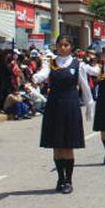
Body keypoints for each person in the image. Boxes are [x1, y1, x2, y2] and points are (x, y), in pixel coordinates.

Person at [33, 37, 97, 194]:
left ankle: (68, 180)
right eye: (60, 45)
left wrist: (89, 105)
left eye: (66, 45)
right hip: (54, 105)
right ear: (56, 46)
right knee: (57, 144)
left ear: (71, 47)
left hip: (70, 105)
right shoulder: (51, 63)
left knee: (68, 145)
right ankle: (60, 178)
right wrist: (36, 78)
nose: (63, 48)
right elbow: (43, 74)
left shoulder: (78, 64)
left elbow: (85, 86)